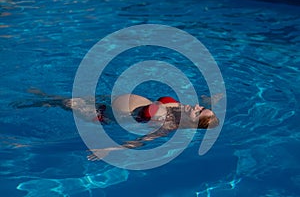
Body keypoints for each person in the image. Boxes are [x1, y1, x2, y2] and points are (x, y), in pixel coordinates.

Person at [12, 88, 222, 160]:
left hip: (100, 114)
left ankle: (36, 100)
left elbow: (140, 141)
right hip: (106, 100)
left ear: (192, 123)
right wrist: (211, 102)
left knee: (65, 103)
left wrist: (110, 149)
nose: (195, 106)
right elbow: (201, 113)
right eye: (199, 107)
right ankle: (45, 97)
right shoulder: (182, 109)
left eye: (198, 111)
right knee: (68, 99)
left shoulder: (166, 126)